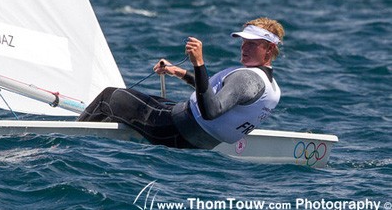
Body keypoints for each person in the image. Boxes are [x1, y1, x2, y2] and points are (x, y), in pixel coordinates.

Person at [78, 17, 284, 149]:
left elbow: (211, 111)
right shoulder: (271, 86)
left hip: (172, 130)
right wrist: (180, 73)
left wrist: (199, 63)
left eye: (252, 44)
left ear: (269, 49)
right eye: (243, 42)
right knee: (151, 100)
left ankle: (70, 144)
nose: (244, 47)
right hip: (197, 142)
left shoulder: (247, 78)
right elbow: (215, 97)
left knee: (109, 97)